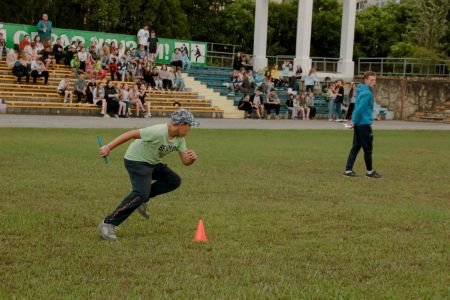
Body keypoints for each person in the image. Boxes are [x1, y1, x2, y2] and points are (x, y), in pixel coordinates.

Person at [98, 109, 199, 241]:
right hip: (136, 161)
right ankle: (108, 223)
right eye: (189, 125)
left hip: (153, 163)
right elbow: (131, 134)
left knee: (174, 181)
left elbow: (185, 161)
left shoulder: (179, 139)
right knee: (140, 194)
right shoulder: (157, 131)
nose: (190, 129)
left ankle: (141, 200)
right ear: (181, 124)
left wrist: (191, 159)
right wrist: (108, 147)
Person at [343, 71, 382, 179]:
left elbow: (357, 107)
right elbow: (360, 109)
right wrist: (354, 120)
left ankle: (348, 170)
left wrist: (353, 120)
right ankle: (369, 172)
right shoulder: (367, 93)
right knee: (368, 149)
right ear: (366, 80)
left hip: (359, 124)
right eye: (371, 80)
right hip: (364, 125)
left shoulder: (361, 90)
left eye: (375, 80)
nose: (374, 82)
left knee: (355, 147)